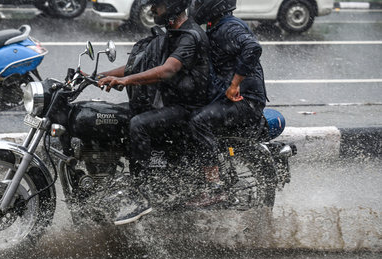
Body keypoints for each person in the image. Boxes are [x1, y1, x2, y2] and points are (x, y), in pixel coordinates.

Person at [97, 0, 211, 225]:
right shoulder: (171, 33)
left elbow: (167, 70)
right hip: (167, 102)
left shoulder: (190, 36)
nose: (151, 10)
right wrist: (100, 75)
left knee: (139, 124)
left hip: (186, 107)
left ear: (173, 6)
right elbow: (141, 65)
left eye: (156, 5)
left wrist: (125, 80)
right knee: (117, 115)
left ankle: (141, 195)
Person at [187, 0, 269, 203]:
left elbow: (252, 48)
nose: (196, 6)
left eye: (200, 2)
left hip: (246, 101)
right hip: (230, 98)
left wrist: (235, 84)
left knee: (199, 121)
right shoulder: (217, 25)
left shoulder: (229, 27)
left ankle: (214, 188)